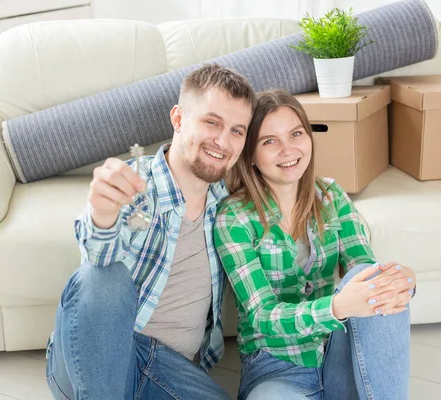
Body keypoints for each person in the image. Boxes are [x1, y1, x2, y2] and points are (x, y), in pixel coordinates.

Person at [45, 63, 257, 400]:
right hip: (99, 357)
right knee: (102, 278)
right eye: (212, 122)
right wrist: (102, 214)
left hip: (167, 370)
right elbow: (98, 262)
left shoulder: (230, 204)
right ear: (178, 118)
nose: (223, 141)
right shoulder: (135, 187)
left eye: (237, 130)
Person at [214, 89, 416, 400]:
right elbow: (261, 315)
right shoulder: (235, 218)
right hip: (276, 366)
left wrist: (402, 280)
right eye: (270, 141)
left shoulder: (331, 196)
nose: (288, 149)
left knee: (376, 279)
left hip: (340, 355)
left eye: (296, 134)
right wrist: (335, 307)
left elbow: (364, 269)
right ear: (250, 154)